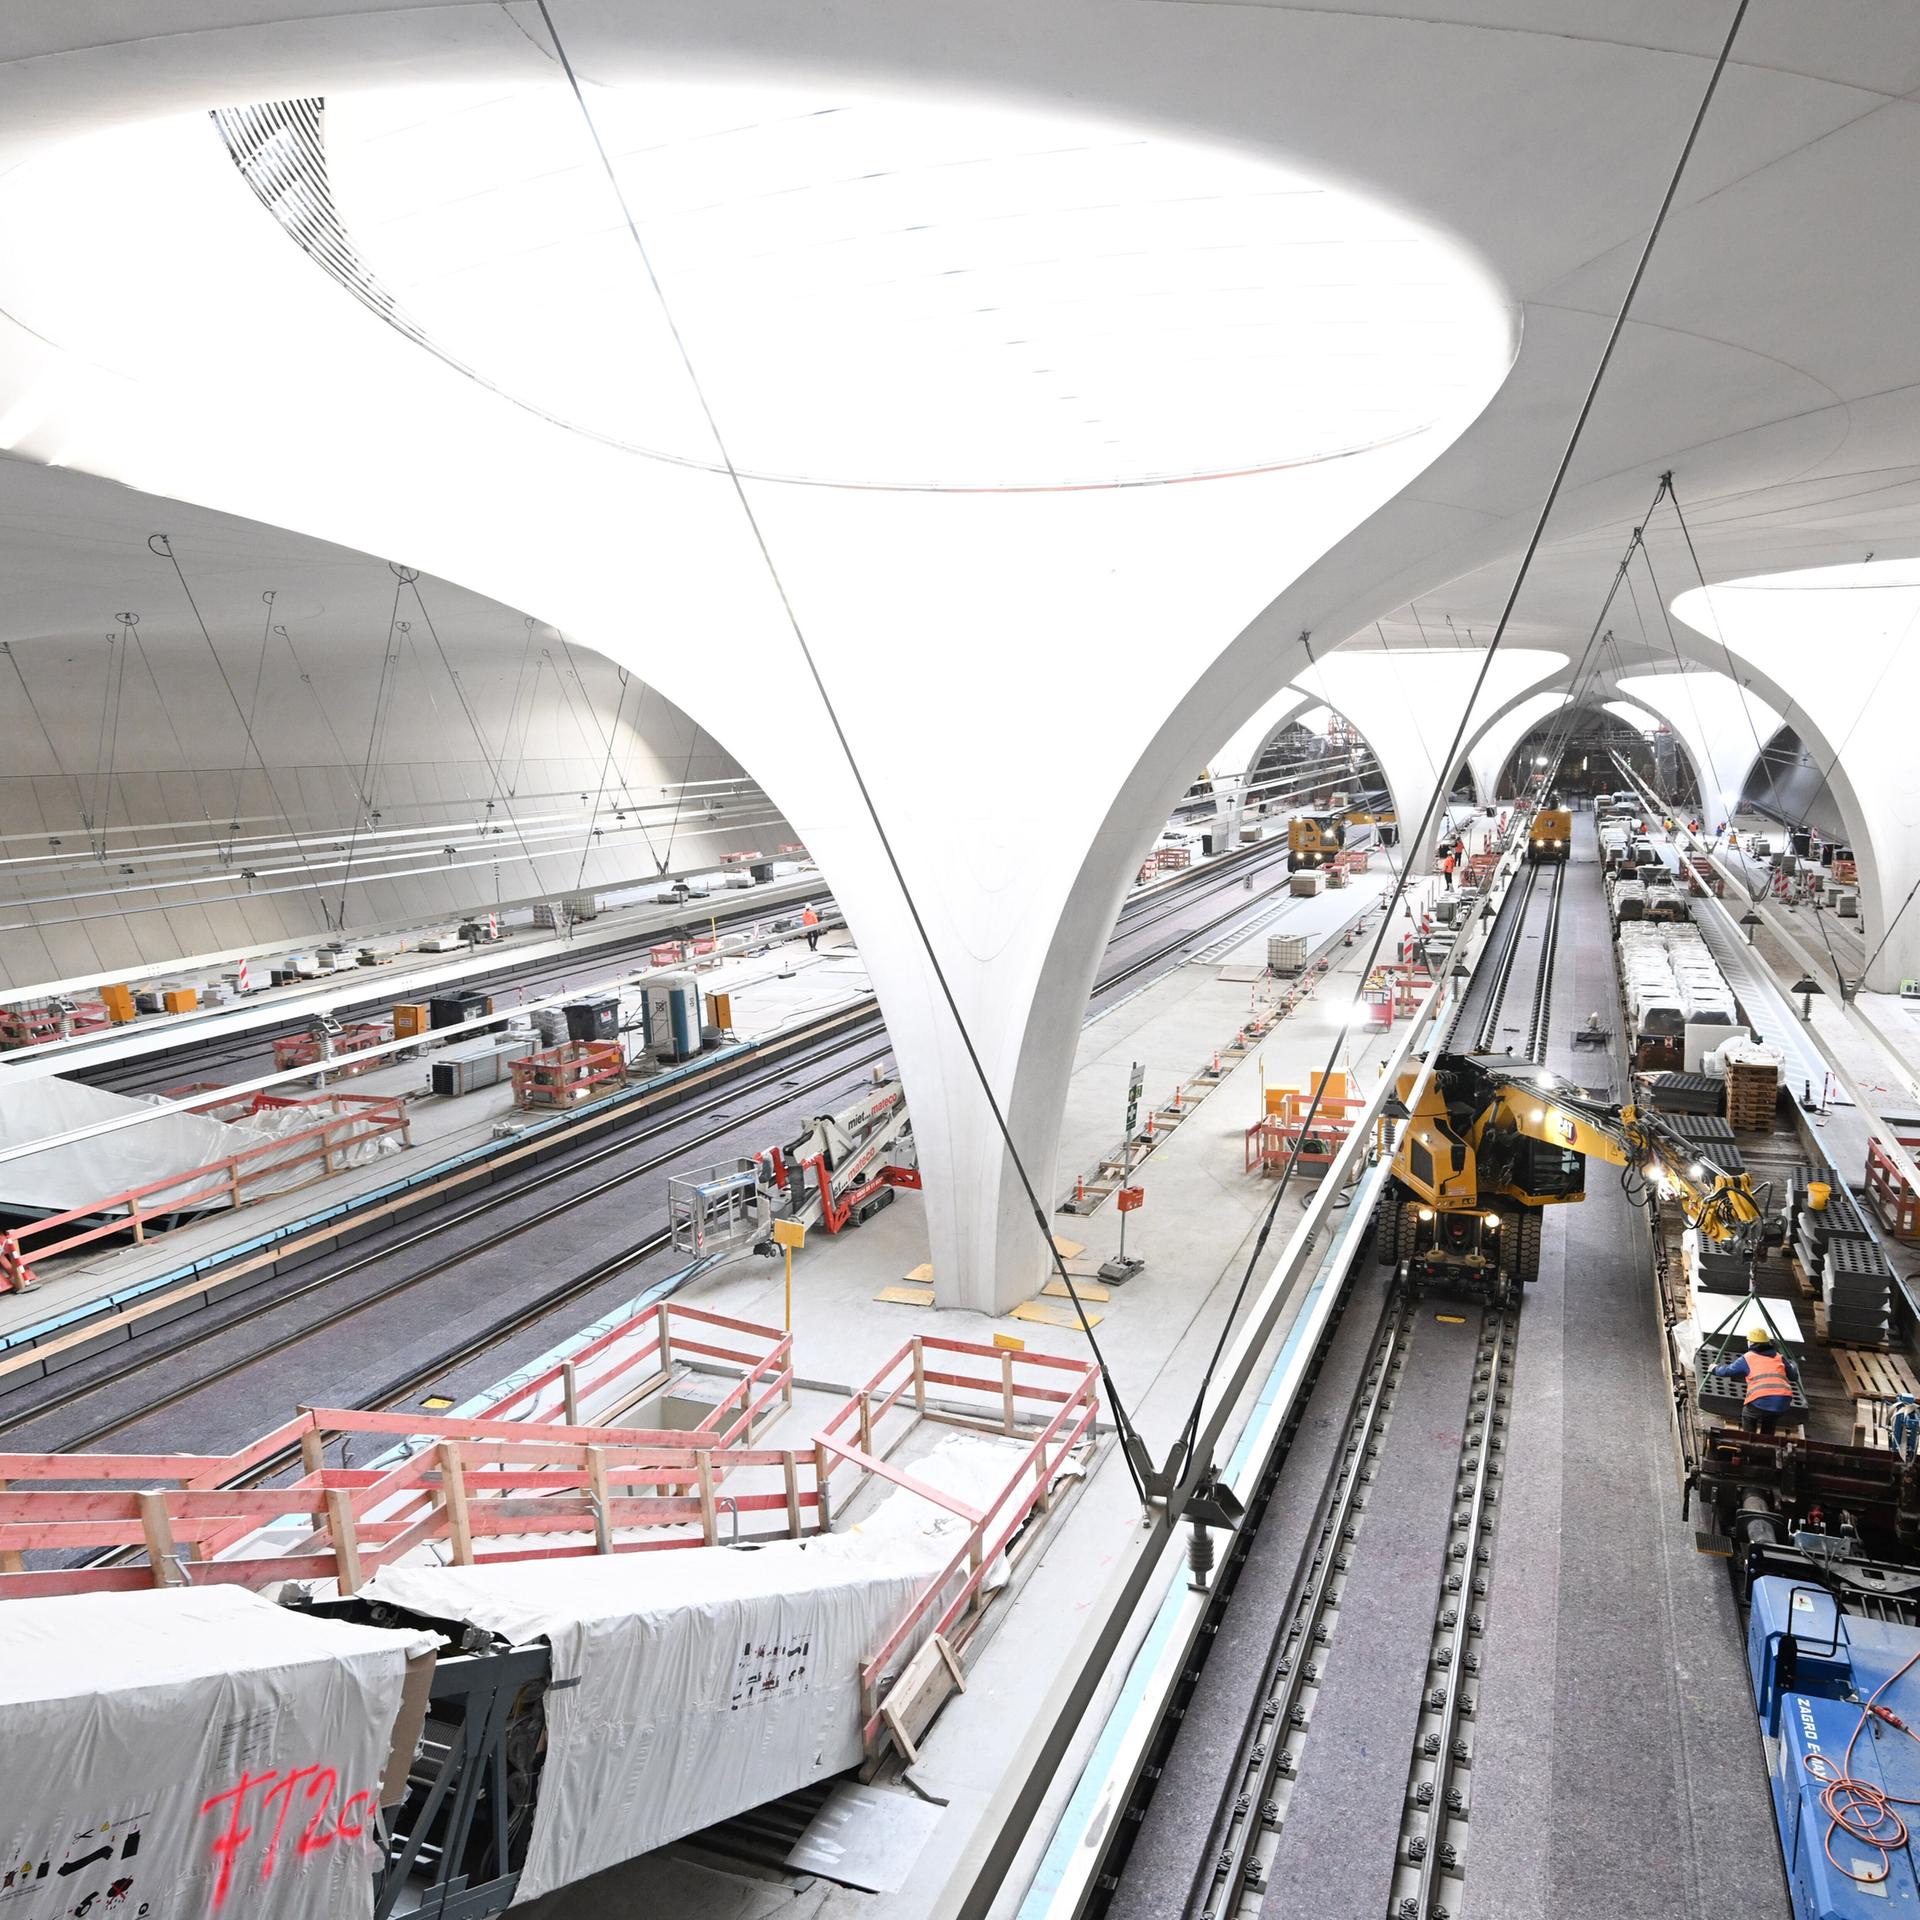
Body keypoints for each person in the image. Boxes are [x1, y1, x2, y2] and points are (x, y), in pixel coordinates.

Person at [1713, 1329, 1801, 1434]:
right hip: (1782, 1401)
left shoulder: (1747, 1358)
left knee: (1748, 1415)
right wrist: (1793, 1366)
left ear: (1751, 1343)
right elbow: (1794, 1376)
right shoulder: (1779, 1357)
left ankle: (1749, 1439)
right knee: (1770, 1419)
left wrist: (1714, 1369)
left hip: (1761, 1399)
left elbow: (1728, 1371)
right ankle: (1766, 1442)